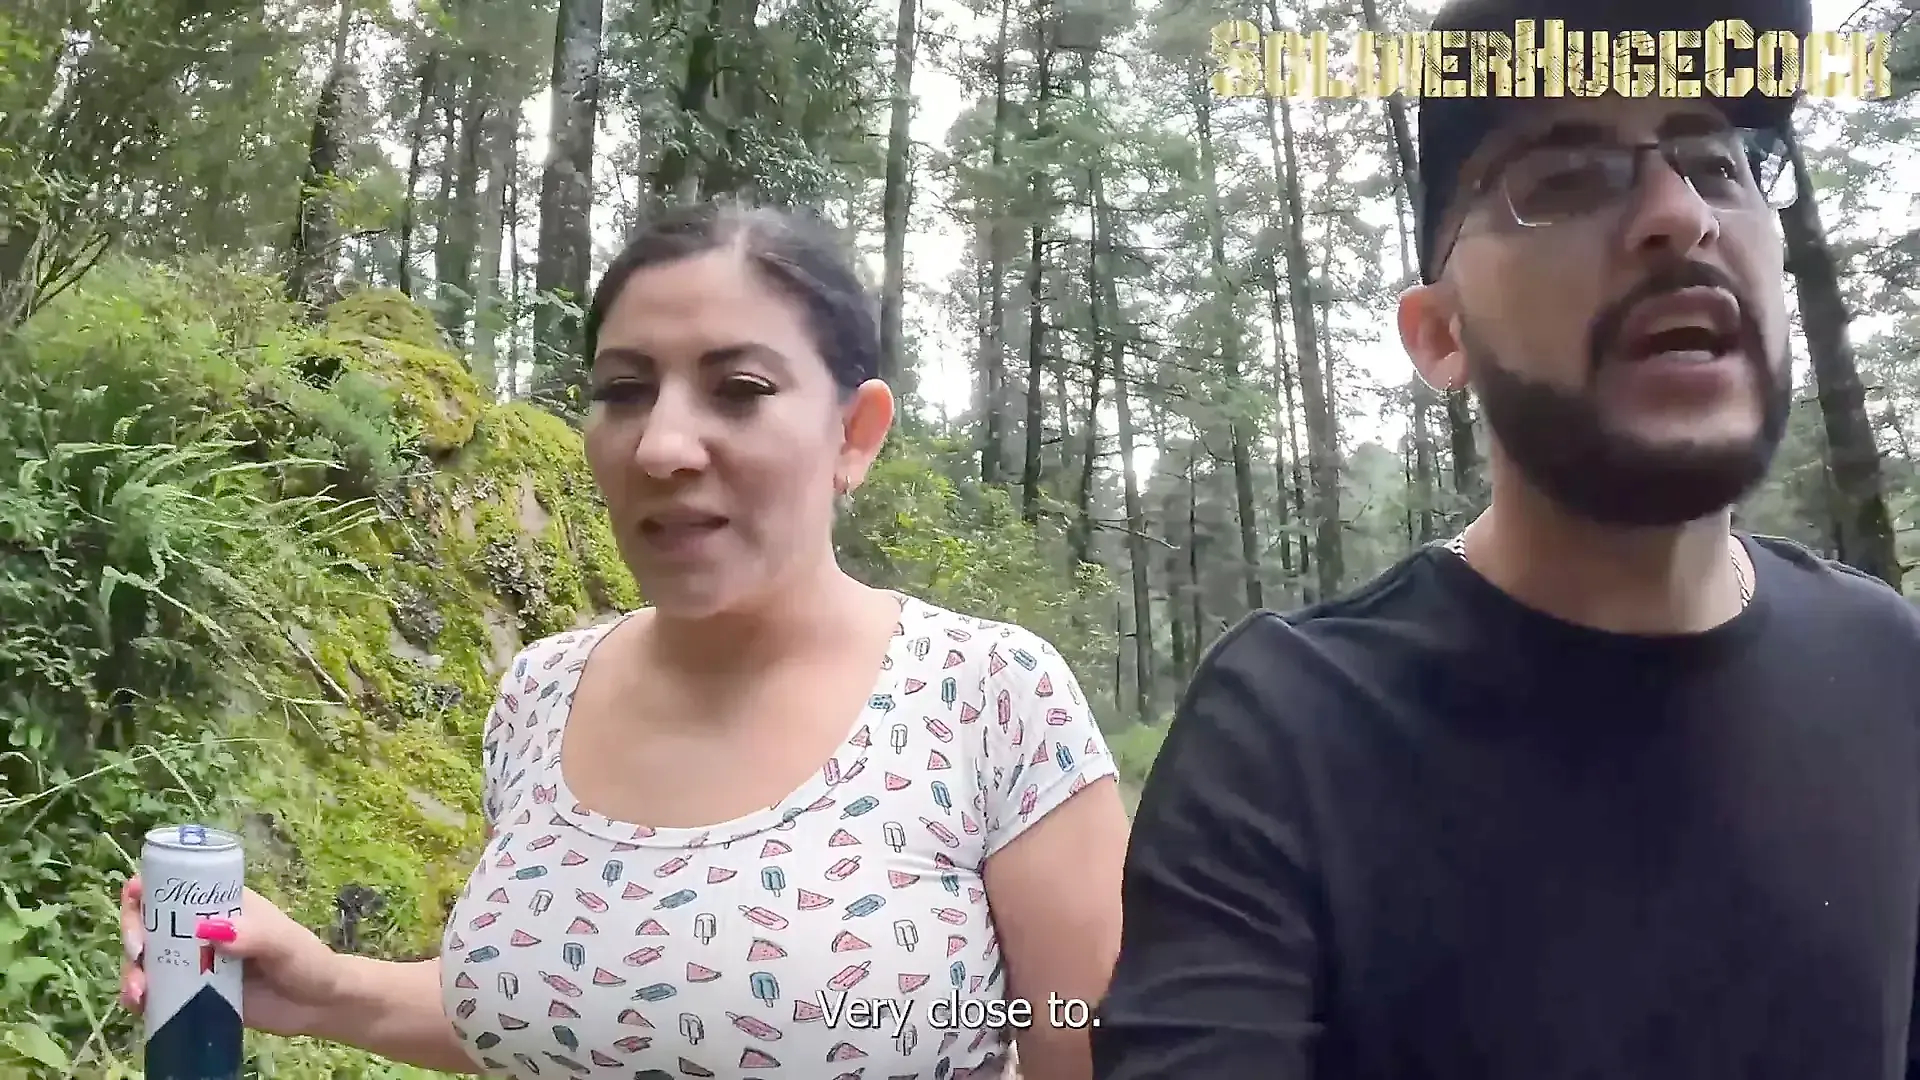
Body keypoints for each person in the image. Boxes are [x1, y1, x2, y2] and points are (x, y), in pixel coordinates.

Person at [1091, 0, 1920, 1077]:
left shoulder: (1888, 667)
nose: (1680, 215)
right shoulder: (1286, 738)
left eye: (1718, 164)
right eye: (1566, 178)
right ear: (1442, 336)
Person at [120, 201, 1130, 1080]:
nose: (662, 445)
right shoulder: (542, 691)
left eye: (740, 389)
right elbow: (587, 1004)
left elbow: (1087, 1050)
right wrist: (327, 987)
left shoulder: (985, 697)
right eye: (624, 391)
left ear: (855, 433)